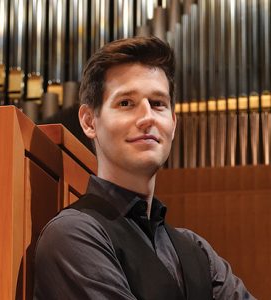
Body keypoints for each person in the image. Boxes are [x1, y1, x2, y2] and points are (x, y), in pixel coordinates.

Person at [33, 36, 254, 299]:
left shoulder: (197, 250)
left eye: (158, 103)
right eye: (126, 103)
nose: (147, 117)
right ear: (89, 121)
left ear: (172, 123)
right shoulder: (73, 235)